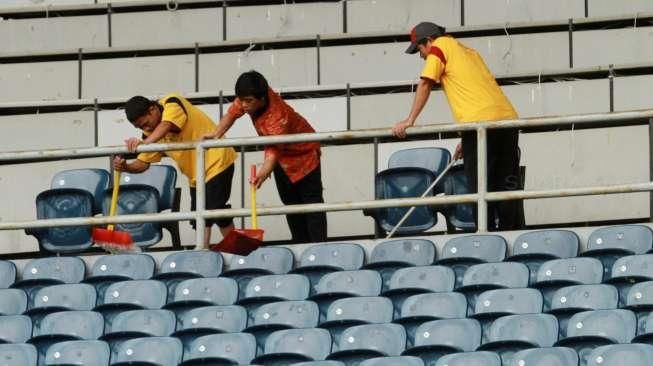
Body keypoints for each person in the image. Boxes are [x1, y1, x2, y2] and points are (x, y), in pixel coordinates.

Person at [392, 22, 522, 230]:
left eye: (419, 49)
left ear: (428, 41)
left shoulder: (439, 48)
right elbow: (476, 93)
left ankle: (486, 238)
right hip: (506, 120)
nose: (421, 55)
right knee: (506, 184)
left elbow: (426, 83)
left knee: (480, 188)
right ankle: (512, 236)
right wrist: (465, 138)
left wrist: (409, 120)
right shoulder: (468, 51)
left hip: (480, 125)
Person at [204, 70, 327, 244]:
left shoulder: (278, 116)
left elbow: (273, 149)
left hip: (304, 156)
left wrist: (263, 171)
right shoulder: (251, 96)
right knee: (291, 206)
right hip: (281, 160)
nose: (244, 105)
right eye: (242, 100)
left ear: (261, 99)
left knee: (312, 206)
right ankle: (300, 246)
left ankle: (318, 247)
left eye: (248, 101)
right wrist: (216, 134)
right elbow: (232, 113)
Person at [114, 94, 238, 248]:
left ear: (152, 109)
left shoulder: (171, 102)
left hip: (217, 159)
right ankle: (238, 249)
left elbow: (167, 125)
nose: (145, 129)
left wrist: (144, 143)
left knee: (208, 211)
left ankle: (203, 250)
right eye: (140, 128)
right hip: (196, 175)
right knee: (206, 214)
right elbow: (143, 164)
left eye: (145, 123)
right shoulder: (150, 134)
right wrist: (126, 166)